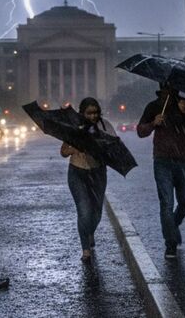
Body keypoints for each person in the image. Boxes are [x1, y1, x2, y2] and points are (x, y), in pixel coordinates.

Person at [137, 82, 185, 260]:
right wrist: (153, 122)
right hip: (162, 161)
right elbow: (140, 131)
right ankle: (170, 243)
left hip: (183, 160)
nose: (169, 91)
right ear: (161, 87)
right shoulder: (154, 106)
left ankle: (172, 226)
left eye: (172, 87)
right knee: (166, 203)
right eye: (166, 87)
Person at [61, 97, 114, 261]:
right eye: (89, 113)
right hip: (77, 173)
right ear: (82, 113)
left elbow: (115, 148)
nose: (93, 116)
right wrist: (75, 147)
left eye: (96, 112)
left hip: (98, 173)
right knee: (84, 212)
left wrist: (101, 147)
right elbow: (63, 151)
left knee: (96, 213)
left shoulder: (105, 126)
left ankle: (89, 231)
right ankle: (86, 249)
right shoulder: (74, 127)